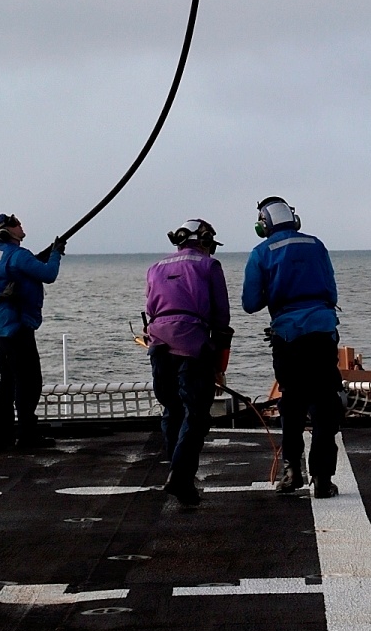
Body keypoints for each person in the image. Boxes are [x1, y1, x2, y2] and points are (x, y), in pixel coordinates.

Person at [242, 197, 342, 498]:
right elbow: (332, 291)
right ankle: (323, 479)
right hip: (323, 332)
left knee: (293, 405)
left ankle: (292, 473)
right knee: (325, 405)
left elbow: (250, 304)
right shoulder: (316, 245)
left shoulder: (261, 253)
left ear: (263, 225)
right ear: (294, 219)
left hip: (288, 338)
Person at [145, 219, 232, 507]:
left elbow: (150, 308)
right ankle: (180, 476)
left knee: (172, 409)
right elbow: (221, 317)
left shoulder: (155, 268)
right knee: (196, 415)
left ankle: (177, 474)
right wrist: (219, 363)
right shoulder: (209, 266)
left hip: (158, 342)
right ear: (205, 240)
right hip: (193, 344)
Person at [0, 214, 65, 452]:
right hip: (16, 326)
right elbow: (48, 274)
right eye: (16, 224)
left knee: (8, 382)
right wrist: (56, 253)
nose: (21, 226)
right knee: (28, 382)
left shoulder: (0, 252)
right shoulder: (19, 255)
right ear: (6, 231)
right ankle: (26, 435)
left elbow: (24, 269)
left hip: (2, 327)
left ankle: (2, 434)